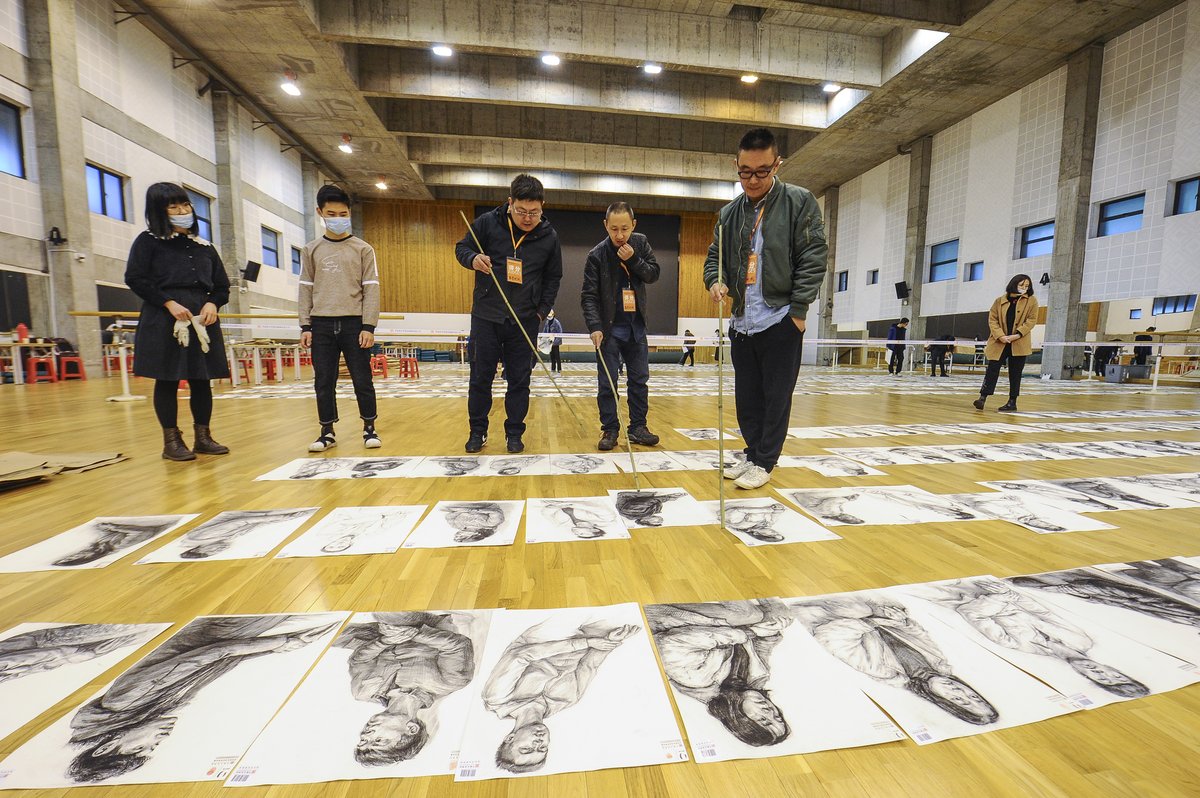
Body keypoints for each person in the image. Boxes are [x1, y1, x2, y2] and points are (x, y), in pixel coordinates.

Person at [704, 128, 827, 490]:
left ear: (777, 164)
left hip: (780, 318)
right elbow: (716, 257)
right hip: (743, 320)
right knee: (748, 397)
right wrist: (716, 281)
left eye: (762, 172)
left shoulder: (799, 202)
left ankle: (765, 460)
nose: (752, 180)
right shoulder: (729, 213)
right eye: (745, 172)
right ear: (736, 166)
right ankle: (752, 452)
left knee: (776, 396)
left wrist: (798, 312)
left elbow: (813, 257)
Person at [456, 174, 563, 454]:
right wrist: (472, 259)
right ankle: (477, 431)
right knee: (480, 377)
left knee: (520, 380)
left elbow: (554, 278)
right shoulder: (488, 223)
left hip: (525, 320)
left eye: (534, 212)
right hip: (486, 316)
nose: (528, 218)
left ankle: (514, 433)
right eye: (521, 211)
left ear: (542, 207)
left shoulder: (549, 237)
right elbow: (461, 247)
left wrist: (540, 313)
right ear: (509, 203)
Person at [124, 182, 231, 462]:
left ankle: (203, 436)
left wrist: (213, 303)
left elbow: (222, 286)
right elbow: (135, 278)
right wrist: (168, 303)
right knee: (168, 379)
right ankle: (171, 440)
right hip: (165, 318)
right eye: (174, 206)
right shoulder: (148, 241)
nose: (182, 211)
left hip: (202, 320)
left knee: (201, 379)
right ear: (160, 211)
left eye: (185, 205)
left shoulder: (205, 246)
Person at [482, 620, 639, 773]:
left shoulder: (497, 698)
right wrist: (609, 642)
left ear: (510, 739)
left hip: (548, 636)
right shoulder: (568, 701)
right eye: (542, 748)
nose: (538, 742)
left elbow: (521, 655)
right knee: (625, 622)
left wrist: (586, 642)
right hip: (591, 639)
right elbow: (588, 665)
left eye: (526, 749)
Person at [299, 185, 382, 453]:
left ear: (349, 213)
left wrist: (368, 325)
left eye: (343, 213)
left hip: (354, 324)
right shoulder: (311, 250)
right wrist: (305, 325)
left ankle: (369, 427)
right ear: (320, 213)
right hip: (321, 323)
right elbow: (305, 288)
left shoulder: (363, 249)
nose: (337, 218)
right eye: (331, 213)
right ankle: (327, 431)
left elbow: (371, 287)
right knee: (323, 380)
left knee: (362, 378)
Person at [333, 612, 476, 766]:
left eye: (363, 740)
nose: (367, 733)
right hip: (425, 627)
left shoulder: (362, 693)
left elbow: (359, 660)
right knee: (388, 615)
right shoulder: (448, 683)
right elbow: (458, 645)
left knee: (327, 636)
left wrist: (383, 642)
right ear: (411, 729)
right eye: (379, 740)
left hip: (378, 637)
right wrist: (413, 634)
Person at [646, 601, 791, 746]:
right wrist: (772, 632)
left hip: (665, 620)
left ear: (739, 720)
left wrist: (751, 632)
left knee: (748, 614)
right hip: (720, 626)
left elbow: (667, 644)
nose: (769, 710)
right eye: (777, 717)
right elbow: (763, 646)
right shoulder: (755, 679)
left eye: (763, 720)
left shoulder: (697, 680)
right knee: (781, 615)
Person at [581, 201, 662, 451]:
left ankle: (638, 427)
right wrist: (594, 326)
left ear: (633, 225)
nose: (619, 235)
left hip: (636, 327)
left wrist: (635, 259)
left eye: (624, 229)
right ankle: (610, 428)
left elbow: (653, 274)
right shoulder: (596, 255)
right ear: (605, 225)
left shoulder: (640, 243)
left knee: (639, 380)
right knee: (607, 383)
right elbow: (589, 296)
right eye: (614, 229)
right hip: (609, 330)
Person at [972, 273, 1038, 412]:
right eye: (1021, 285)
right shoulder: (999, 301)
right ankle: (982, 398)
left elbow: (1031, 320)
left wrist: (1017, 334)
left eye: (1027, 286)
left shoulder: (1031, 301)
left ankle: (1012, 402)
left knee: (1015, 373)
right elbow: (993, 320)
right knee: (992, 369)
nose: (1024, 288)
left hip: (1019, 342)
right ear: (1014, 284)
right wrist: (1000, 336)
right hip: (999, 342)